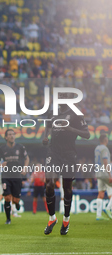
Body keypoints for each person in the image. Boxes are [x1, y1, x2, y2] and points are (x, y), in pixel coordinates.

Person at [42, 93, 90, 235]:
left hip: (69, 154)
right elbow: (48, 125)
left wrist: (70, 129)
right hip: (54, 153)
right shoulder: (53, 112)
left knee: (67, 188)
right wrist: (46, 136)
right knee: (49, 184)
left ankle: (66, 220)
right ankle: (52, 218)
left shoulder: (76, 114)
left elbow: (87, 134)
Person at [0, 129, 29, 224]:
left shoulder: (20, 147)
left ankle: (17, 204)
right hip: (6, 176)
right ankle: (8, 219)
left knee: (15, 200)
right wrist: (0, 165)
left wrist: (25, 168)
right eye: (9, 134)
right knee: (7, 197)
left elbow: (27, 158)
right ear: (6, 137)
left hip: (17, 176)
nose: (12, 136)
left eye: (13, 134)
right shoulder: (2, 148)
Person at [94, 134, 112, 220]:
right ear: (105, 140)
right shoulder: (105, 149)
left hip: (98, 173)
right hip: (104, 173)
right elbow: (105, 161)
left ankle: (98, 215)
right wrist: (109, 174)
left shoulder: (97, 148)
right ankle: (108, 209)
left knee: (100, 193)